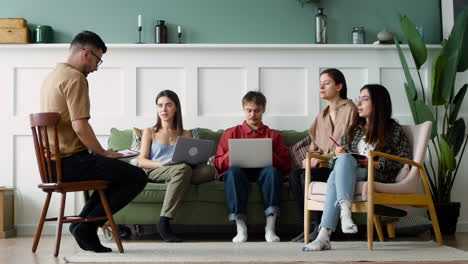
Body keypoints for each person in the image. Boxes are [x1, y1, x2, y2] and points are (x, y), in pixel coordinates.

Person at [40, 31, 148, 253]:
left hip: (51, 164)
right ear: (86, 53)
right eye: (97, 60)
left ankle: (83, 224)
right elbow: (80, 127)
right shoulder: (75, 78)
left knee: (113, 173)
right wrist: (104, 153)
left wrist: (99, 154)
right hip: (68, 164)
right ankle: (86, 228)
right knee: (136, 176)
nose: (96, 68)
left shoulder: (52, 77)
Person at [303, 84, 411, 251]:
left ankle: (325, 234)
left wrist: (376, 163)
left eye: (364, 99)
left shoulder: (393, 129)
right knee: (342, 162)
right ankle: (343, 214)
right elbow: (334, 165)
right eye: (358, 98)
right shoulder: (354, 128)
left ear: (378, 103)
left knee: (336, 175)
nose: (359, 103)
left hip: (376, 174)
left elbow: (404, 159)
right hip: (350, 172)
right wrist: (338, 155)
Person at [137, 90, 216, 242]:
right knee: (183, 169)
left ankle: (176, 181)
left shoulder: (185, 134)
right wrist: (162, 163)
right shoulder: (149, 131)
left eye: (168, 105)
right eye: (160, 105)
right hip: (156, 170)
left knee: (208, 170)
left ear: (176, 108)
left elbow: (193, 159)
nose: (163, 110)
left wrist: (196, 162)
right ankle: (164, 220)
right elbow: (141, 161)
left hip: (182, 169)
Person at [289, 68, 358, 242]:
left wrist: (324, 158)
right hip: (324, 164)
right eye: (320, 83)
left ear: (339, 86)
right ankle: (311, 226)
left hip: (341, 166)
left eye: (326, 83)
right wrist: (309, 159)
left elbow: (354, 144)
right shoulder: (321, 116)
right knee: (295, 175)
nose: (321, 87)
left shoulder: (351, 110)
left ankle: (321, 227)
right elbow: (315, 148)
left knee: (308, 175)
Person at [214, 91, 291, 243]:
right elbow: (218, 164)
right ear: (244, 110)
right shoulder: (230, 133)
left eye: (257, 110)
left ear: (263, 110)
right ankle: (241, 228)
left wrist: (269, 153)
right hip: (239, 172)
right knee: (233, 172)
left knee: (272, 172)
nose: (252, 114)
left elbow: (286, 165)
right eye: (249, 110)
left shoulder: (274, 135)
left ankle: (270, 227)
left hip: (265, 172)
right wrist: (232, 153)